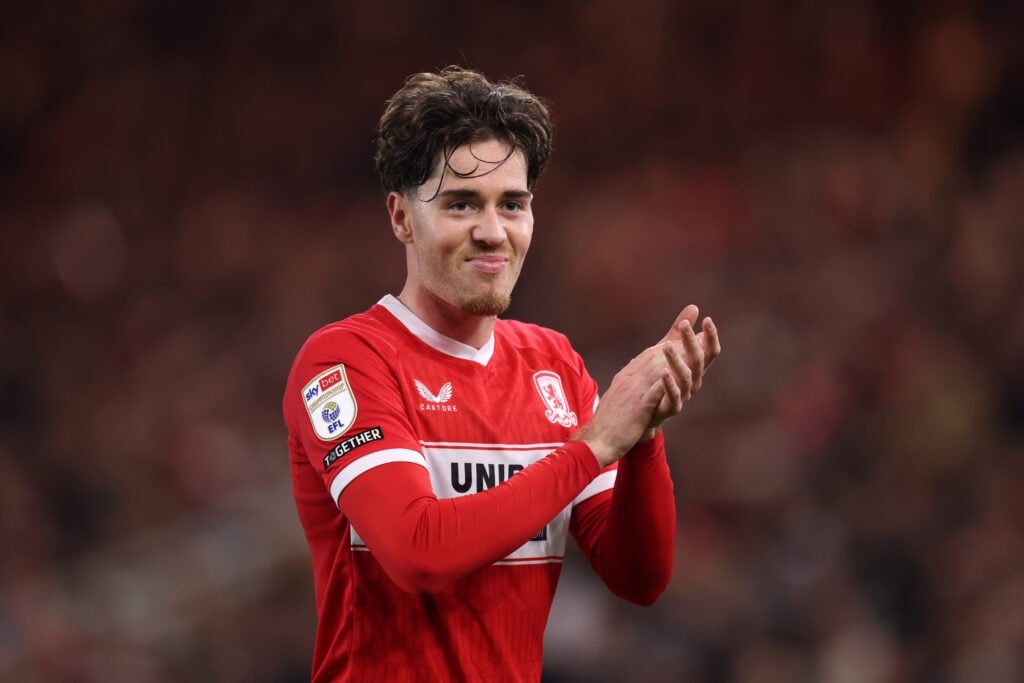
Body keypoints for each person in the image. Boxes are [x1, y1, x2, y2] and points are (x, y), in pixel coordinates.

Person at [282, 65, 721, 682]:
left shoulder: (553, 365)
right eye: (461, 204)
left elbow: (638, 578)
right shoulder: (346, 361)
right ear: (402, 218)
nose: (493, 233)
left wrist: (643, 437)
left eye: (512, 205)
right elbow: (417, 553)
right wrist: (593, 446)